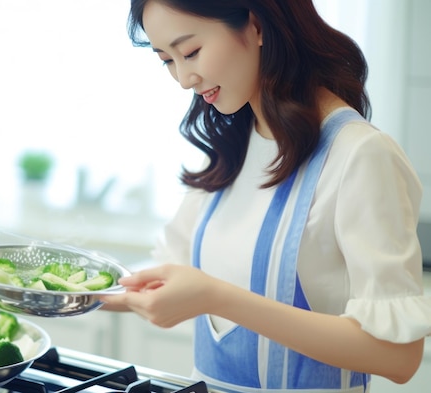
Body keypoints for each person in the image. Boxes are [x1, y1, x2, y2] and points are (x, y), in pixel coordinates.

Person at [100, 1, 431, 392]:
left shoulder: (359, 154)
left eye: (190, 52)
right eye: (167, 60)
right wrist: (52, 291)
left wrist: (216, 297)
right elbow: (160, 276)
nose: (184, 78)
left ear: (256, 26)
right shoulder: (232, 145)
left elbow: (398, 357)